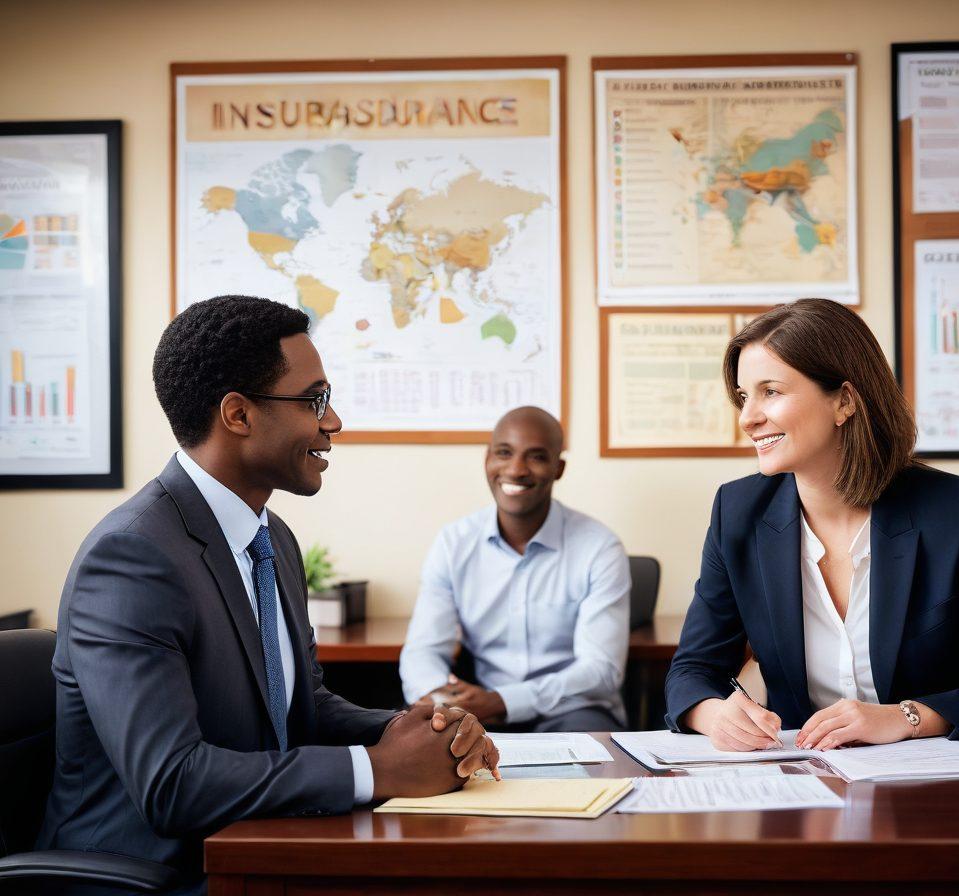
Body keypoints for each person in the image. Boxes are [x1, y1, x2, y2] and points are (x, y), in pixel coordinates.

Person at [38, 295, 499, 895]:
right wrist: (378, 768)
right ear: (238, 415)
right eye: (315, 401)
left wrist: (423, 730)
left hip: (254, 843)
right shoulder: (132, 557)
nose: (332, 423)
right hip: (154, 873)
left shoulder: (269, 538)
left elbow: (301, 707)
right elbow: (172, 783)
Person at [665, 299, 959, 752]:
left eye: (770, 391)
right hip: (805, 780)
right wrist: (715, 714)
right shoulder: (737, 512)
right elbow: (690, 672)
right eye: (744, 395)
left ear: (845, 401)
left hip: (933, 779)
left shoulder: (956, 511)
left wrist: (905, 717)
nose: (747, 417)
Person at [399, 406, 631, 732]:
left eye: (536, 457)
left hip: (572, 712)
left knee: (587, 768)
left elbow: (600, 670)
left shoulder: (599, 547)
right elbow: (423, 650)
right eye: (504, 453)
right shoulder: (454, 543)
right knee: (426, 748)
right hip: (478, 711)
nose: (516, 469)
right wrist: (440, 702)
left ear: (558, 468)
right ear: (487, 459)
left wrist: (502, 701)